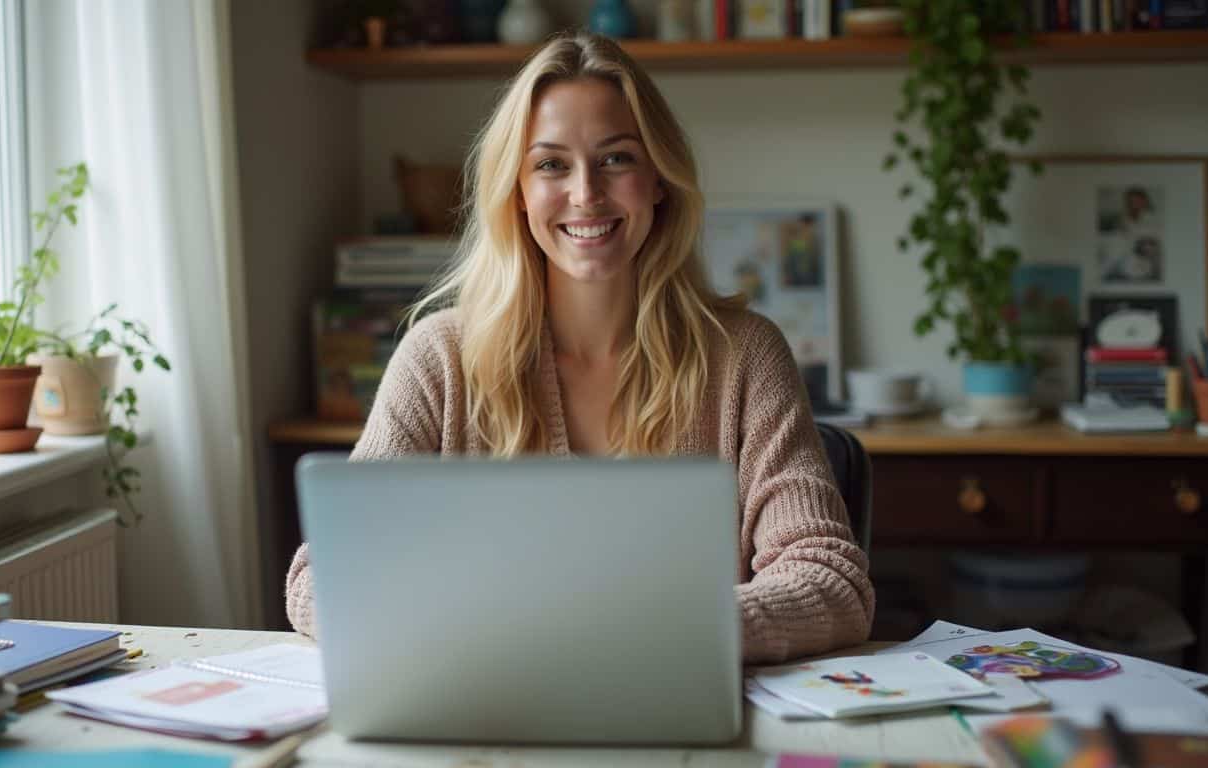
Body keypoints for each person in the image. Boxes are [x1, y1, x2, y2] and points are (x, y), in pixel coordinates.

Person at [285, 32, 874, 664]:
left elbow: (831, 580)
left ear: (659, 180)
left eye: (617, 158)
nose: (586, 193)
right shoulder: (439, 360)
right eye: (551, 164)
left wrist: (664, 629)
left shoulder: (745, 357)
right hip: (487, 708)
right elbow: (320, 578)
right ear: (517, 191)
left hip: (680, 711)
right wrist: (481, 631)